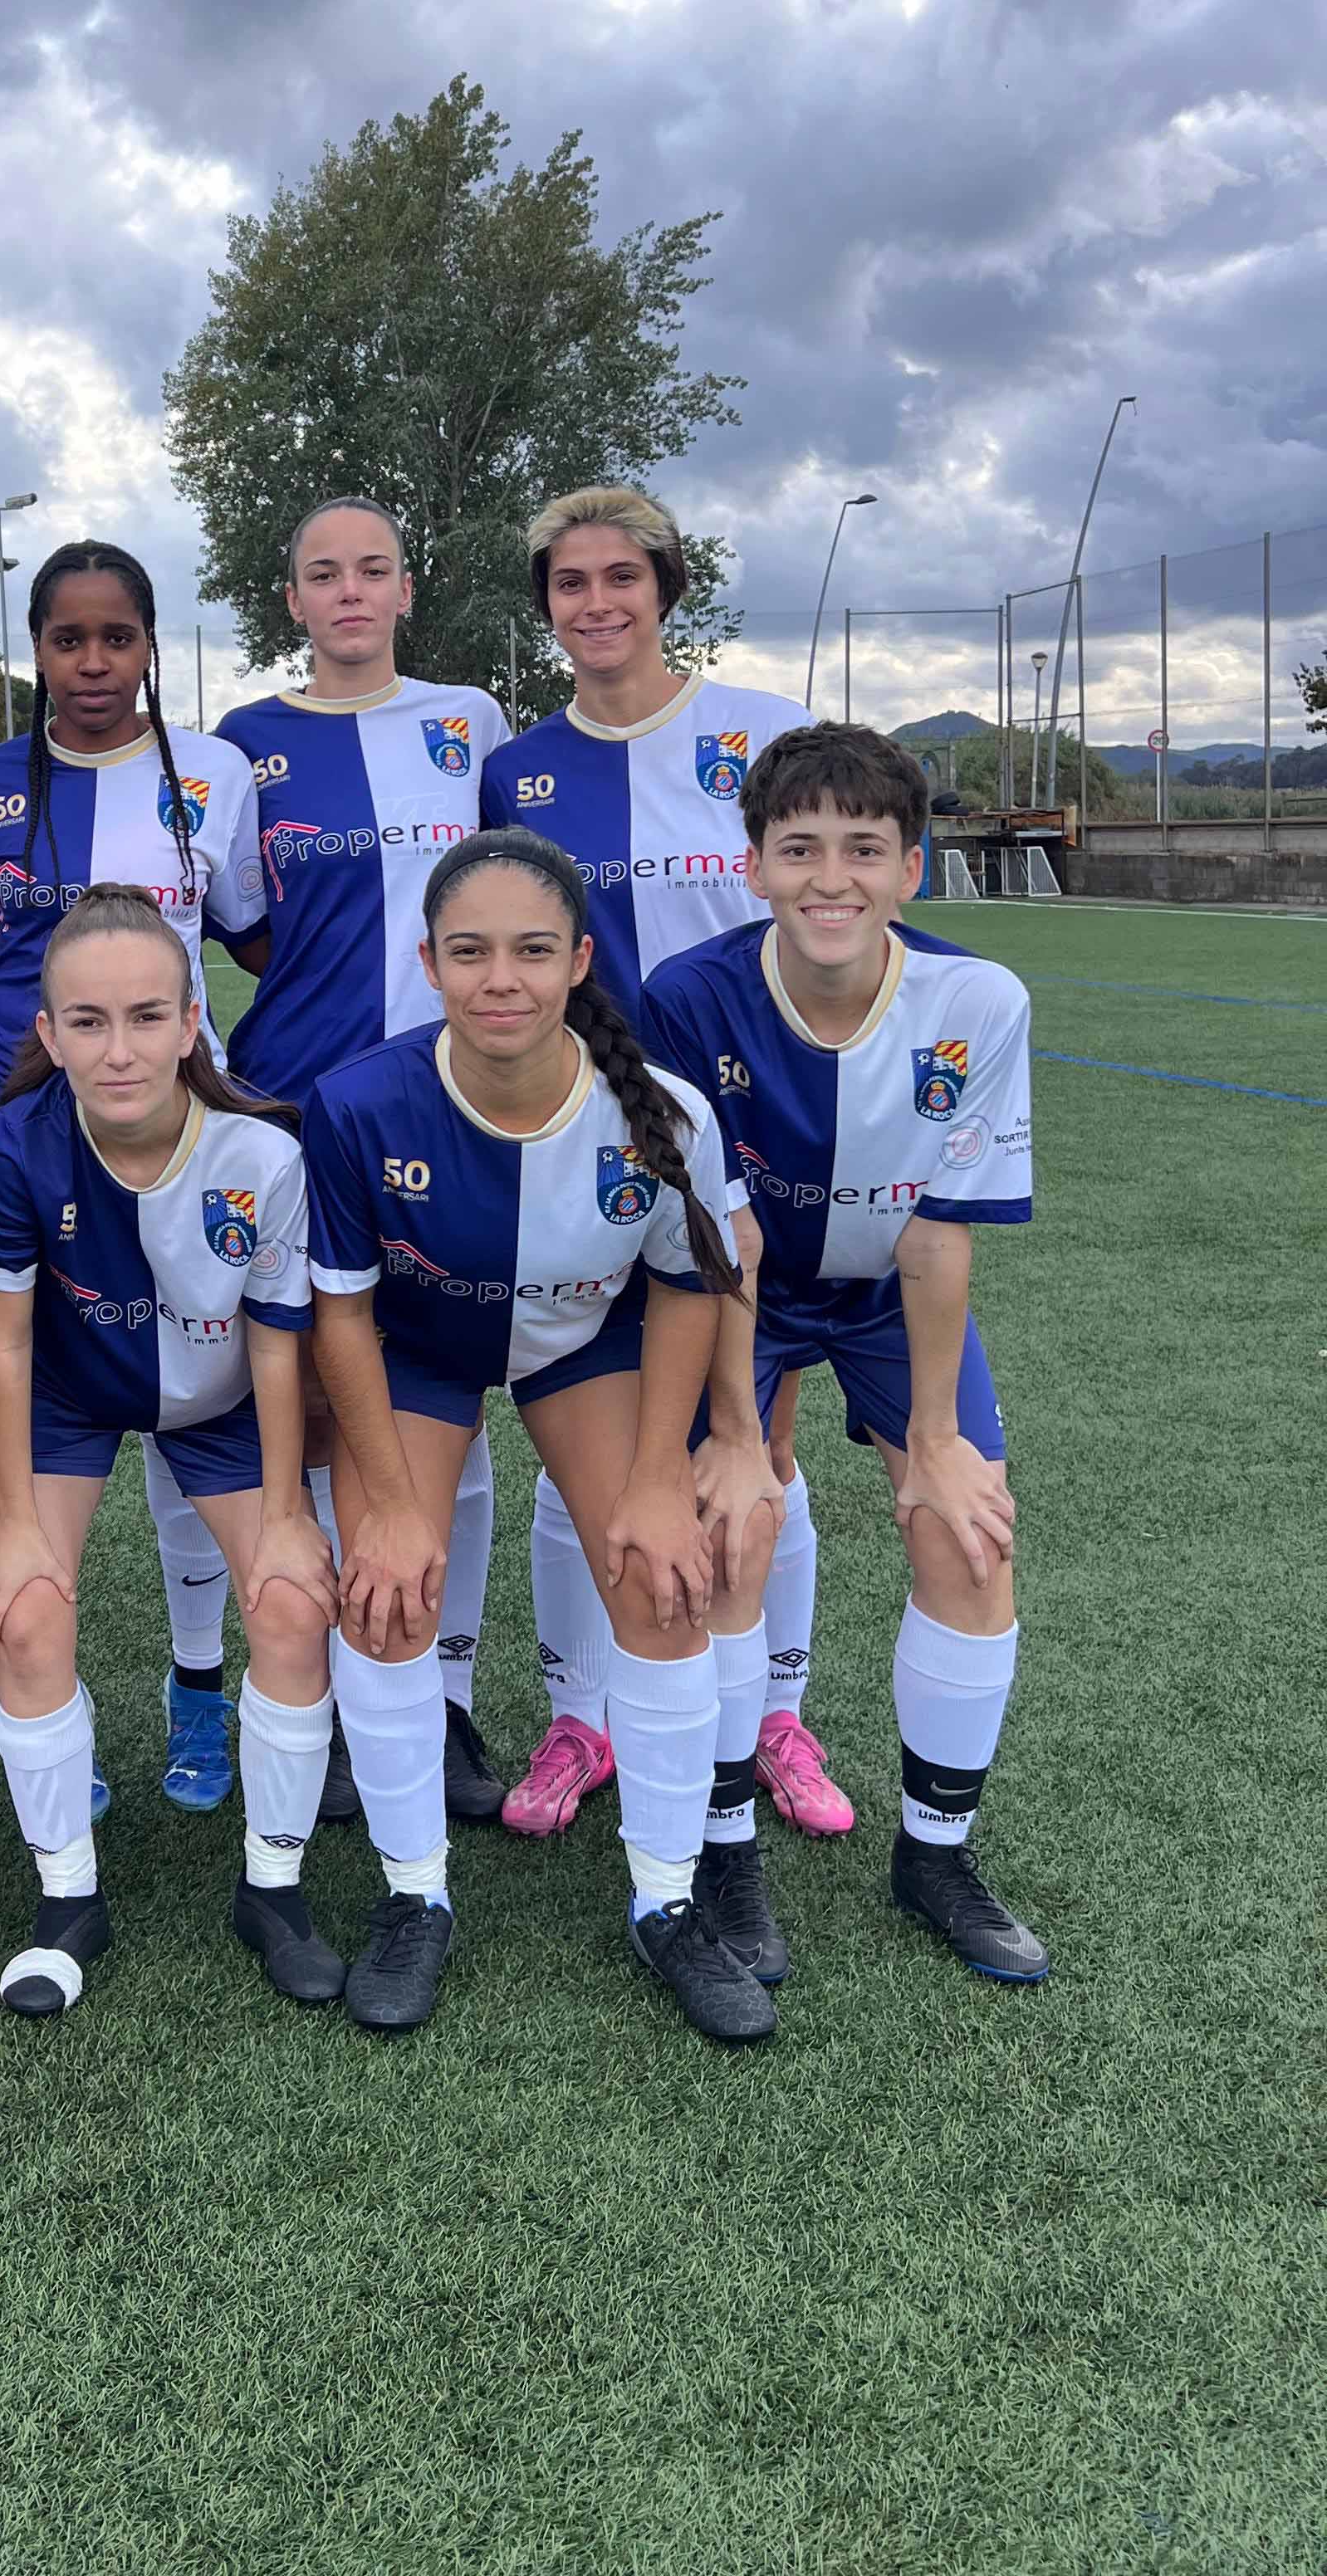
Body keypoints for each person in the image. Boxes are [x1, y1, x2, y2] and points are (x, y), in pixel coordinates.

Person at [303, 829, 775, 2043]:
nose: (499, 979)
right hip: (417, 1349)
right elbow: (341, 1316)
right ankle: (414, 1894)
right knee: (387, 1598)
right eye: (469, 953)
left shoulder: (659, 1111)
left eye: (530, 951)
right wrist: (391, 1506)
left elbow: (688, 1286)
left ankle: (668, 1900)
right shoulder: (356, 1105)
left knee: (662, 1582)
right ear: (428, 964)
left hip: (583, 1345)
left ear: (578, 962)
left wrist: (662, 1476)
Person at [642, 722, 1048, 1984]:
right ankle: (724, 1848)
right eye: (801, 847)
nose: (832, 878)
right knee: (727, 1531)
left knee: (968, 1535)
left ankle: (936, 1853)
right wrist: (733, 1433)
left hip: (883, 1294)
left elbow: (936, 1236)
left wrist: (933, 1441)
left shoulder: (976, 1002)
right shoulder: (688, 998)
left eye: (865, 849)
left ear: (911, 870)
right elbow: (722, 1236)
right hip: (738, 1293)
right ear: (754, 864)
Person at [482, 486, 846, 1851]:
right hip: (587, 1139)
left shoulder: (759, 731)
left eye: (620, 577)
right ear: (548, 608)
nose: (597, 603)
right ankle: (582, 1716)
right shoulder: (516, 769)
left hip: (756, 1129)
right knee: (585, 1426)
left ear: (665, 588)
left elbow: (824, 911)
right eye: (570, 583)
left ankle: (772, 1716)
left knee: (761, 1436)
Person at [0, 888, 340, 2016]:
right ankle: (66, 1902)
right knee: (28, 1607)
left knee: (292, 1604)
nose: (118, 1050)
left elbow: (277, 1347)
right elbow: (5, 1342)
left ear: (191, 1024)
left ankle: (274, 1890)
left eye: (145, 1018)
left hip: (223, 1404)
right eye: (87, 1022)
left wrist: (288, 1513)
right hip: (71, 1401)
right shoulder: (14, 1148)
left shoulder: (261, 1155)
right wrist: (13, 1517)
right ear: (49, 1035)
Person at [213, 494, 513, 1835]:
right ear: (292, 600)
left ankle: (442, 1693)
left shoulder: (471, 722)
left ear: (404, 589)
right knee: (323, 1403)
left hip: (459, 1101)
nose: (349, 592)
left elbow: (509, 894)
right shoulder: (246, 742)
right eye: (323, 573)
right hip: (298, 1103)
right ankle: (330, 1682)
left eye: (372, 570)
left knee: (449, 1386)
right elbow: (246, 928)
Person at [0, 539, 267, 1811]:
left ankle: (199, 1689)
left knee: (191, 1390)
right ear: (35, 647)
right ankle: (52, 1704)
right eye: (67, 638)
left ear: (149, 644)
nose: (93, 661)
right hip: (25, 1130)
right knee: (40, 1388)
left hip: (177, 1122)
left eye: (117, 637)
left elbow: (254, 937)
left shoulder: (215, 774)